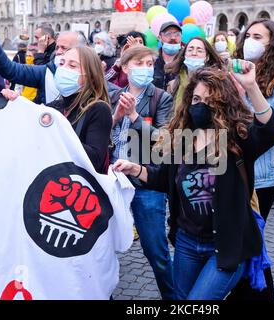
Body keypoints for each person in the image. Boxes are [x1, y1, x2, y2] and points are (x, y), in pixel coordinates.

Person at [113, 66, 274, 300]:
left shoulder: (237, 140)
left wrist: (251, 87)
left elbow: (271, 130)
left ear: (223, 103)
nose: (201, 105)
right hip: (187, 243)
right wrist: (136, 169)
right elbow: (164, 179)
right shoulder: (182, 139)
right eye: (196, 98)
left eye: (210, 100)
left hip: (226, 244)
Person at [227, 18, 274, 301]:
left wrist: (247, 95)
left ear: (272, 44)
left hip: (262, 173)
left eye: (259, 36)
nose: (251, 40)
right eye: (249, 35)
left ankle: (258, 293)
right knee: (237, 235)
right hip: (230, 167)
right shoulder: (230, 73)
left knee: (251, 235)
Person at [109, 46, 174, 300]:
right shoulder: (113, 95)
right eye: (140, 63)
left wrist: (135, 115)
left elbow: (161, 140)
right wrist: (116, 116)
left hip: (145, 183)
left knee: (155, 250)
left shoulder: (160, 98)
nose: (146, 68)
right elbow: (103, 132)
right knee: (103, 245)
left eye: (150, 63)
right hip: (113, 180)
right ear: (125, 68)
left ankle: (173, 298)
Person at [2, 46, 112, 174]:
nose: (63, 69)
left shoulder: (98, 109)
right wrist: (17, 104)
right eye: (61, 63)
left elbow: (95, 159)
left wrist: (57, 130)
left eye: (72, 66)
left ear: (91, 76)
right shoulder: (54, 107)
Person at [0, 21, 88, 104]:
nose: (59, 52)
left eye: (64, 48)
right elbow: (10, 70)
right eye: (57, 47)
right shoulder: (46, 71)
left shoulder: (95, 83)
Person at [165, 37, 224, 109]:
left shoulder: (216, 83)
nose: (194, 53)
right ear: (184, 55)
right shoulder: (173, 85)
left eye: (199, 51)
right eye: (190, 50)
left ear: (207, 57)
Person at [153, 21, 183, 91]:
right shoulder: (152, 60)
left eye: (177, 34)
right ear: (159, 38)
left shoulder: (187, 60)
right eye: (168, 34)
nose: (173, 37)